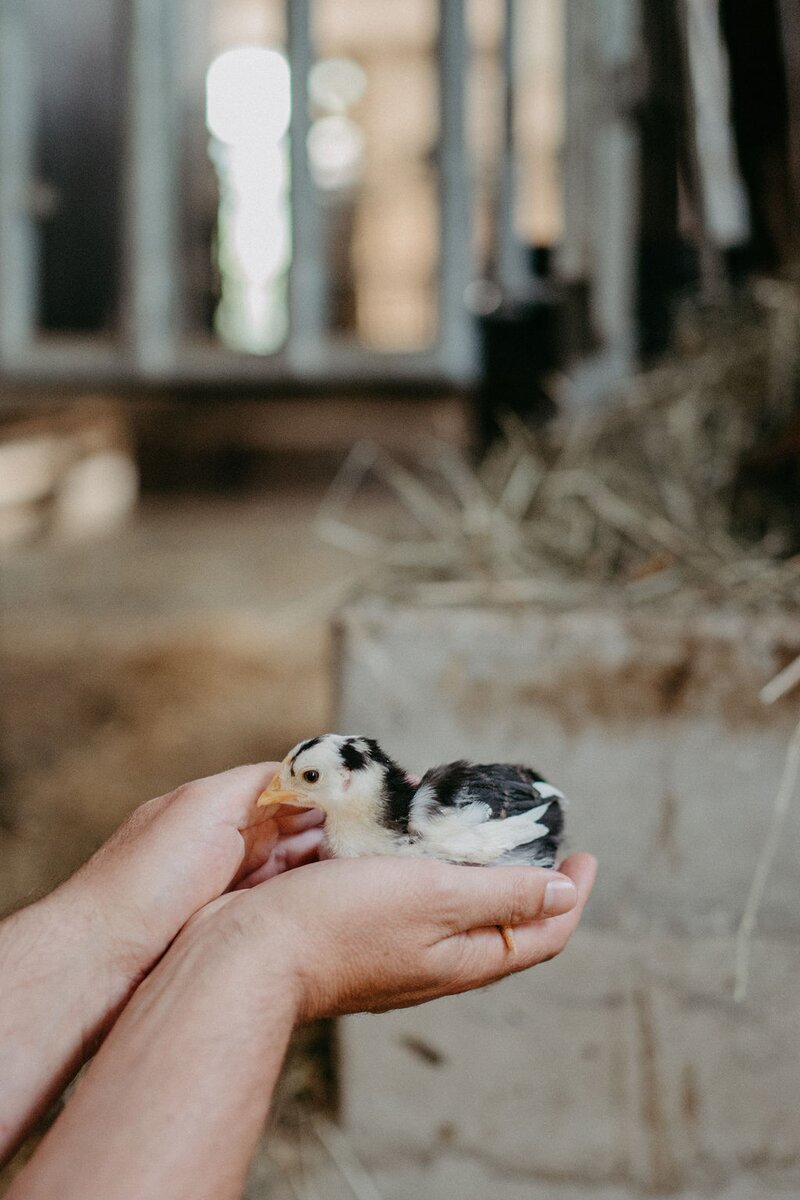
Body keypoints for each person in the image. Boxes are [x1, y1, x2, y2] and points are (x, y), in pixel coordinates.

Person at [0, 761, 597, 1200]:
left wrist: (105, 929)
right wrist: (265, 947)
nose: (280, 791)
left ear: (346, 783)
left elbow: (540, 810)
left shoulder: (437, 820)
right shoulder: (356, 834)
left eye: (306, 778)